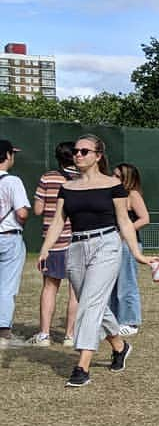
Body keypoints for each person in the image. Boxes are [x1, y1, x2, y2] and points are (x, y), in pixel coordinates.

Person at [37, 135, 159, 387]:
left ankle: (82, 366)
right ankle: (119, 346)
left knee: (90, 305)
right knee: (93, 303)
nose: (78, 155)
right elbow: (59, 221)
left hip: (106, 244)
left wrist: (137, 254)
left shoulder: (114, 185)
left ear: (98, 155)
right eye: (75, 151)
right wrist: (45, 249)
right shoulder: (67, 187)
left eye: (84, 151)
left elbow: (124, 221)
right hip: (76, 246)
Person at [29, 141, 80, 347]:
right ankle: (70, 335)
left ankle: (44, 334)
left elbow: (38, 210)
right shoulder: (82, 179)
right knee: (75, 290)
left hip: (53, 242)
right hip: (76, 240)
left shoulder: (48, 177)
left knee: (50, 287)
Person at [108, 163, 150, 336]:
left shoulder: (132, 195)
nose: (113, 178)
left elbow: (145, 218)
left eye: (118, 176)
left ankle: (131, 321)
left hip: (127, 244)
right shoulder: (113, 194)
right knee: (112, 285)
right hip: (112, 244)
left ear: (127, 179)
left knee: (127, 283)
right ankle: (115, 320)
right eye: (113, 174)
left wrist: (125, 232)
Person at [0, 138, 31, 346]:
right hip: (9, 236)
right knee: (7, 285)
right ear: (7, 156)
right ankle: (3, 331)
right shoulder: (12, 181)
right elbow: (22, 212)